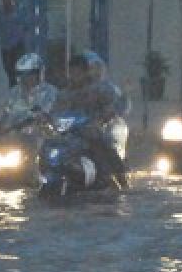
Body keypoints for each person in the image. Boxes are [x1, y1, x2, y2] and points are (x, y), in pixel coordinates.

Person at [55, 51, 128, 187]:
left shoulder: (99, 89)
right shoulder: (63, 94)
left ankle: (121, 178)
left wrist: (106, 115)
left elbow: (119, 104)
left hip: (92, 133)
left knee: (103, 147)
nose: (74, 76)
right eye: (72, 72)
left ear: (85, 72)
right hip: (68, 136)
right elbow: (56, 113)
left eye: (78, 73)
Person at [86, 51, 130, 163]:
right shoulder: (76, 89)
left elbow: (121, 107)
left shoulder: (109, 89)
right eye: (90, 68)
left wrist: (106, 117)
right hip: (84, 130)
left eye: (96, 67)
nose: (94, 71)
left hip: (106, 129)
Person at [0, 52, 57, 128]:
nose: (27, 77)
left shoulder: (50, 91)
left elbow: (45, 113)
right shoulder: (14, 92)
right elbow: (6, 111)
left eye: (32, 73)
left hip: (41, 134)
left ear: (39, 73)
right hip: (15, 135)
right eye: (23, 73)